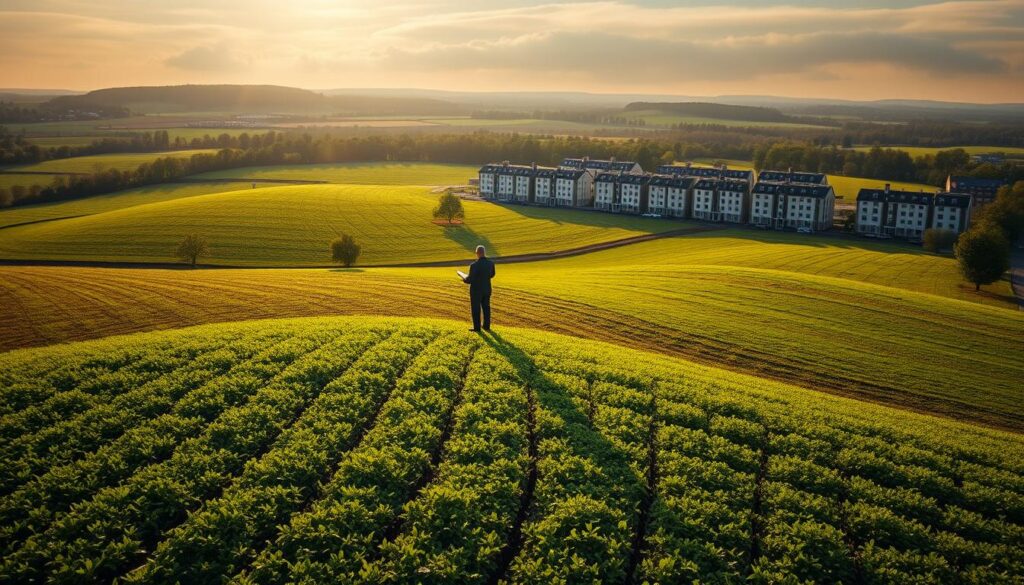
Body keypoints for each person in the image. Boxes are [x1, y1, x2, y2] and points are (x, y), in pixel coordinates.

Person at [462, 245, 495, 332]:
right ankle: (486, 326)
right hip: (487, 289)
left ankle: (477, 328)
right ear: (484, 253)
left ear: (477, 253)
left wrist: (464, 279)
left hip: (476, 291)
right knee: (486, 308)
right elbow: (492, 275)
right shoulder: (491, 263)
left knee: (476, 309)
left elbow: (470, 279)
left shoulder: (474, 265)